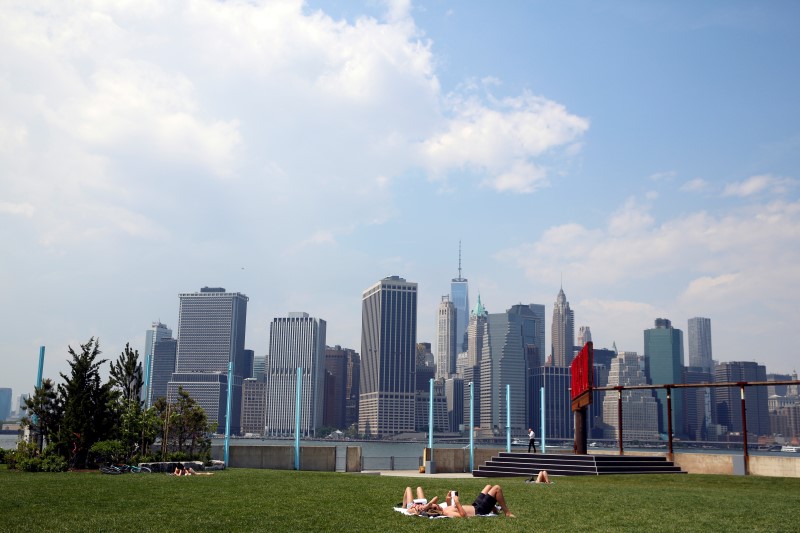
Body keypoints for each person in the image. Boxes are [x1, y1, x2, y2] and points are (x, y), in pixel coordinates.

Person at [443, 485, 515, 518]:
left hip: (475, 505)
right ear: (433, 510)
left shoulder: (444, 509)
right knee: (497, 488)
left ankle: (494, 509)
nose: (436, 504)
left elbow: (451, 507)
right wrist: (457, 502)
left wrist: (448, 500)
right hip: (479, 510)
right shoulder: (446, 512)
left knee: (488, 486)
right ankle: (507, 513)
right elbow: (463, 516)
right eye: (434, 505)